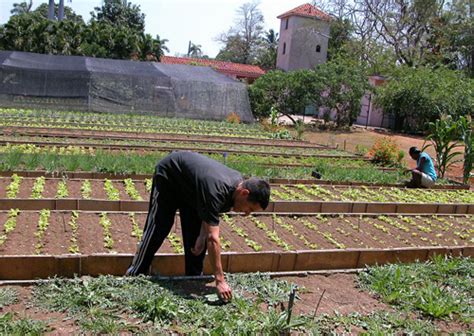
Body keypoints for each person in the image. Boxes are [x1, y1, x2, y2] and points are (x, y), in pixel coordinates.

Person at [126, 151, 270, 301]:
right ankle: (135, 273)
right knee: (159, 226)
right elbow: (213, 238)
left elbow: (208, 213)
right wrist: (220, 280)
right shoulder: (218, 189)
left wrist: (201, 236)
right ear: (244, 193)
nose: (247, 213)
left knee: (195, 239)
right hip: (170, 176)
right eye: (250, 209)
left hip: (192, 189)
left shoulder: (234, 192)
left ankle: (193, 278)